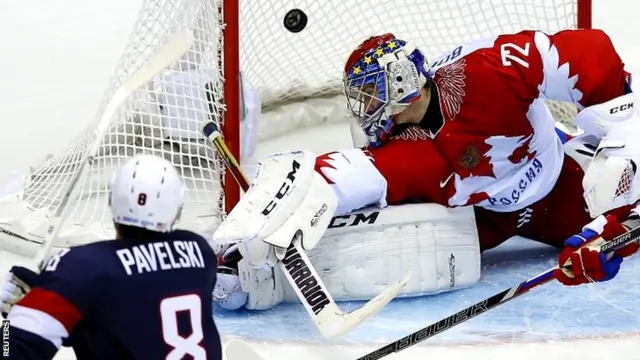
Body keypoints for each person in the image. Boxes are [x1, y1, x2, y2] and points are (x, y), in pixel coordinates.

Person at [212, 29, 640, 311]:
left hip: (555, 183)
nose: (364, 107)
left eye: (369, 93)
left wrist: (624, 135)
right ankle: (250, 269)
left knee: (615, 194)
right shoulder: (403, 149)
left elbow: (588, 52)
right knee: (371, 237)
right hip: (483, 219)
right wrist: (267, 216)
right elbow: (338, 176)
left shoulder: (485, 71)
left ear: (399, 81)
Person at [0, 154, 222, 360]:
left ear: (112, 202)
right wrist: (52, 294)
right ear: (178, 208)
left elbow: (12, 350)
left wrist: (15, 320)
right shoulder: (200, 252)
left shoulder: (78, 269)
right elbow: (136, 309)